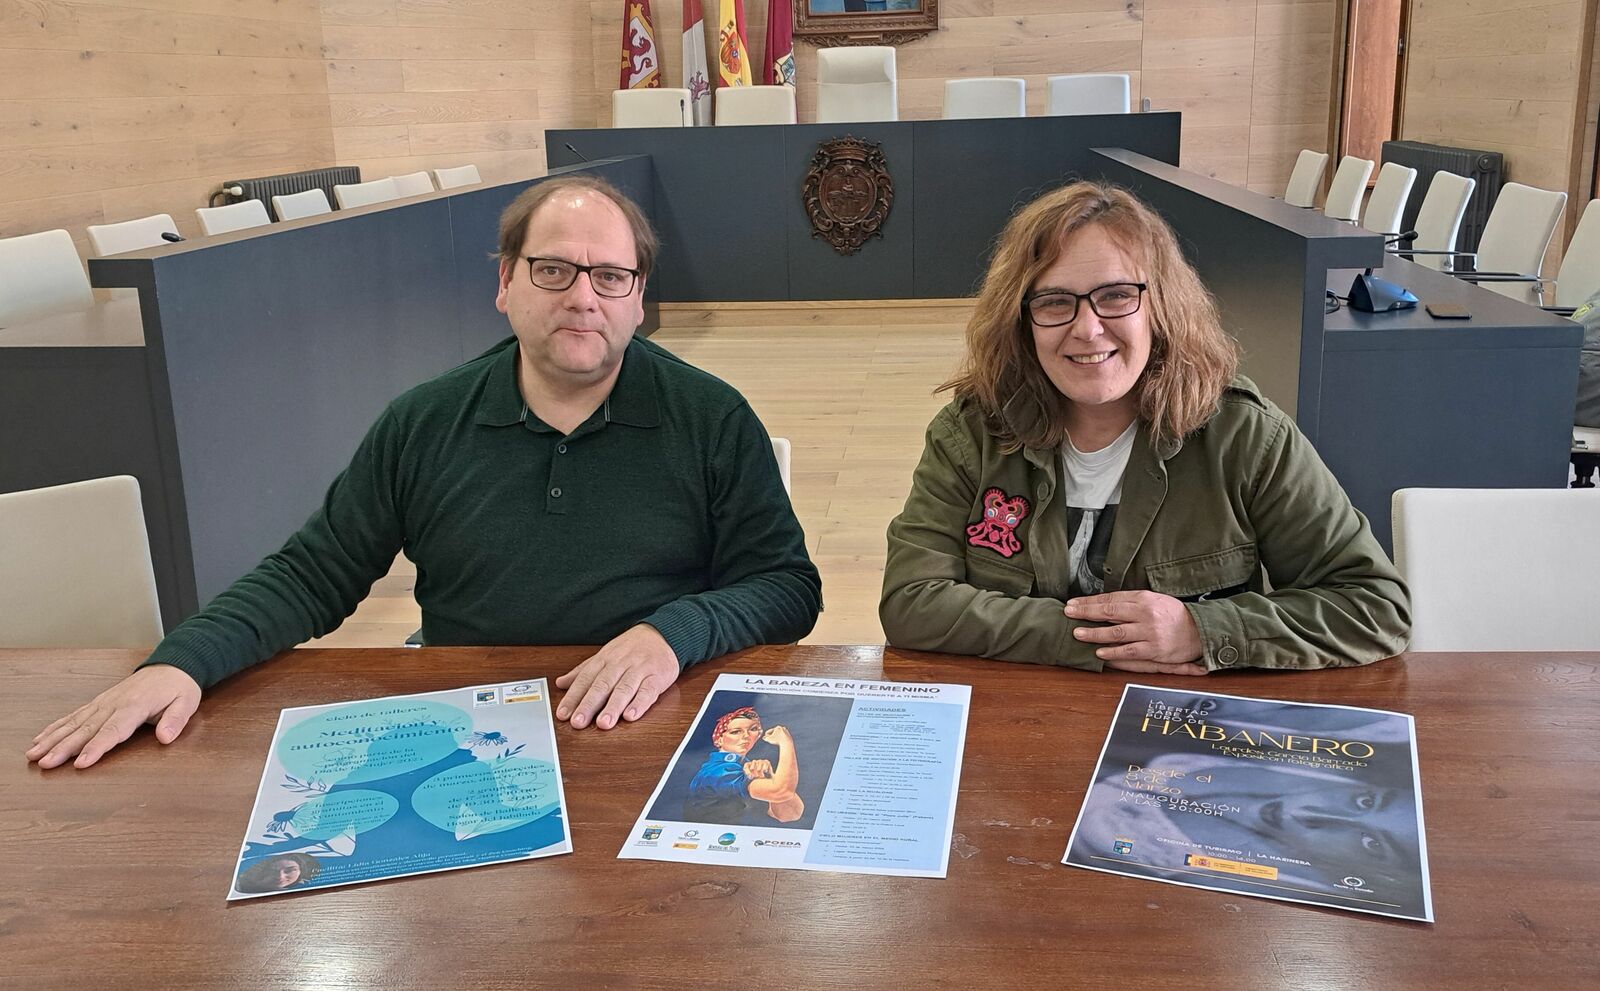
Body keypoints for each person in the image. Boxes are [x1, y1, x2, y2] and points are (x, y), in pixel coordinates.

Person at [28, 176, 821, 770]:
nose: (584, 297)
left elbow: (787, 585)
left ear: (638, 298)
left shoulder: (710, 417)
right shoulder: (424, 421)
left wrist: (669, 634)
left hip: (650, 721)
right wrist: (179, 660)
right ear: (504, 283)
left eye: (609, 276)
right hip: (469, 731)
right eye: (554, 270)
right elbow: (312, 575)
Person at [880, 181, 1409, 673]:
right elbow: (910, 602)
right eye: (1055, 301)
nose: (1087, 329)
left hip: (1186, 730)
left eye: (1115, 296)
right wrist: (1099, 642)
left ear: (1161, 307)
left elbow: (1374, 608)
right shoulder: (972, 431)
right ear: (1021, 320)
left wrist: (1201, 631)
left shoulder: (1245, 436)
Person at [684, 705, 803, 824]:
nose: (746, 736)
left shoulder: (746, 767)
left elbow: (790, 814)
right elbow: (782, 791)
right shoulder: (718, 770)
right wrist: (786, 743)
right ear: (719, 740)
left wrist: (770, 777)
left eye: (753, 729)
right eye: (736, 732)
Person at [235, 852, 321, 894]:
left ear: (301, 871)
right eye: (273, 871)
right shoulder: (243, 886)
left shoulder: (310, 885)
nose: (280, 877)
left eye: (289, 870)